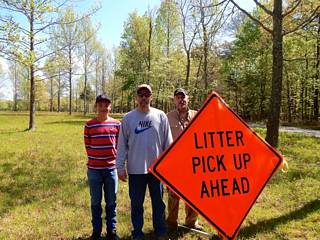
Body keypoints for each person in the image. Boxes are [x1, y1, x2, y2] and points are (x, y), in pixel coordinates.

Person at [116, 84, 173, 240]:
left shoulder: (161, 116)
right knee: (136, 205)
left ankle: (161, 231)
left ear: (151, 97)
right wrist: (120, 166)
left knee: (159, 203)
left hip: (157, 170)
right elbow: (121, 145)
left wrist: (169, 167)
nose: (143, 98)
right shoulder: (128, 118)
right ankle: (137, 233)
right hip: (135, 169)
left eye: (146, 95)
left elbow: (168, 144)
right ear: (136, 98)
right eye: (140, 95)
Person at [84, 94, 121, 240]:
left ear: (110, 107)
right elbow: (88, 145)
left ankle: (111, 231)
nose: (103, 108)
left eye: (106, 105)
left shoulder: (117, 124)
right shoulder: (89, 125)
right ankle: (96, 231)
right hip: (94, 170)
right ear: (96, 107)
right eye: (100, 105)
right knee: (95, 201)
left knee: (111, 201)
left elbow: (120, 145)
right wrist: (96, 159)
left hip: (111, 169)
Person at [166, 88, 203, 231]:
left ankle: (191, 222)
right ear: (174, 100)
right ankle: (171, 222)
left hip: (194, 162)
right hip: (175, 163)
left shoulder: (198, 115)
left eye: (183, 97)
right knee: (173, 194)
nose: (181, 100)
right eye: (178, 97)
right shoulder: (167, 117)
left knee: (194, 194)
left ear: (188, 98)